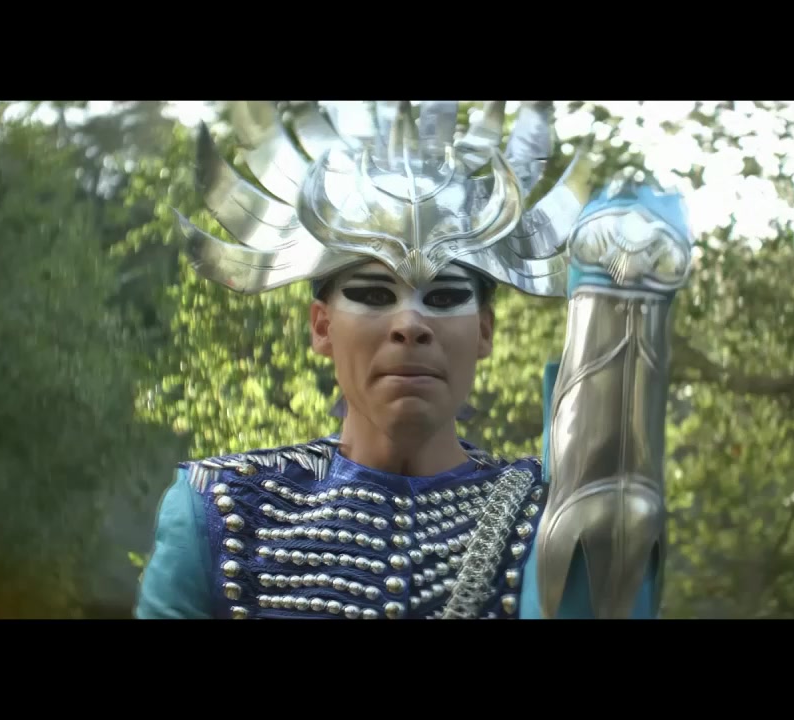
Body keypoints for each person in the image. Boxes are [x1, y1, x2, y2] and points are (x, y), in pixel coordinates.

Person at [134, 100, 692, 619]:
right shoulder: (221, 511)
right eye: (373, 295)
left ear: (484, 331)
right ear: (322, 327)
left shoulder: (546, 516)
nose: (410, 325)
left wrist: (617, 297)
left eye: (444, 297)